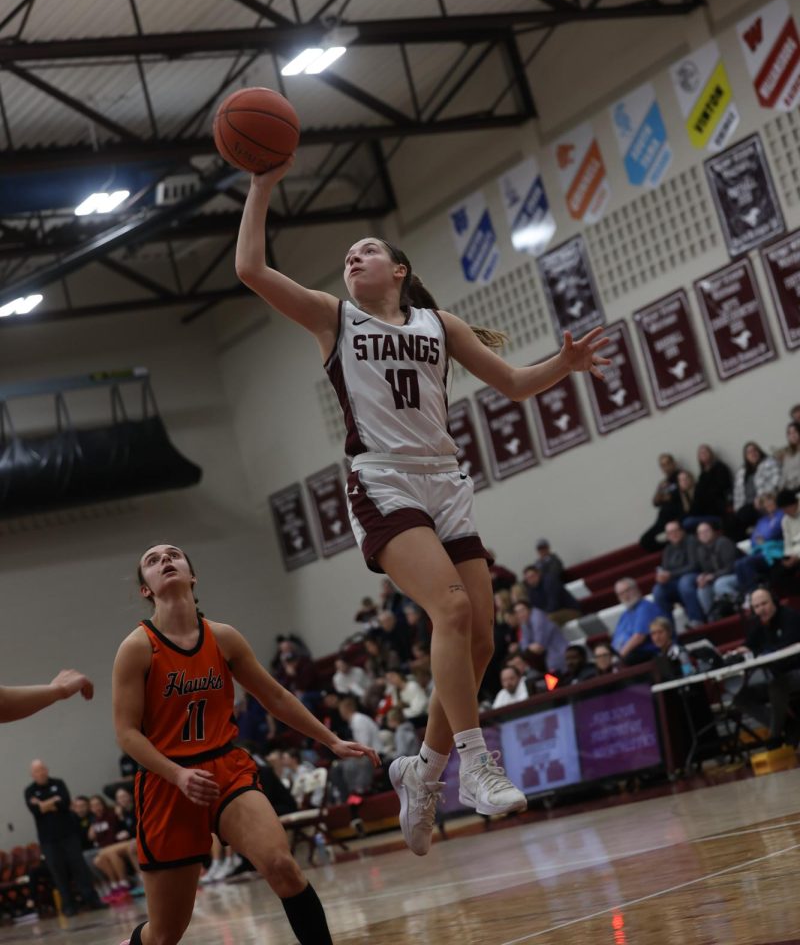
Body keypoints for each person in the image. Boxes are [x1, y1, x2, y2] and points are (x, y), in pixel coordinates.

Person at [236, 167, 610, 858]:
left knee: (479, 643)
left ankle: (422, 771)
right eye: (347, 257)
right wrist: (262, 184)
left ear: (400, 269)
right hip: (383, 480)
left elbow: (515, 384)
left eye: (366, 250)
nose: (352, 259)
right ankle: (474, 763)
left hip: (445, 479)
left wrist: (563, 364)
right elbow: (252, 267)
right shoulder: (333, 318)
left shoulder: (440, 324)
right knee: (452, 610)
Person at [112, 542, 379, 945]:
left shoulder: (223, 638)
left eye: (174, 555)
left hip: (225, 769)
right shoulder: (136, 648)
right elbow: (127, 734)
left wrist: (331, 740)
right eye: (152, 560)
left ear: (192, 574)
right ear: (145, 589)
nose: (165, 560)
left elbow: (275, 697)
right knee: (165, 934)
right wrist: (178, 774)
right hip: (167, 783)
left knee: (281, 865)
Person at [25, 760, 108, 917]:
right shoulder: (29, 791)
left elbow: (64, 804)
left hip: (68, 835)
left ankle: (92, 900)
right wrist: (52, 801)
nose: (41, 772)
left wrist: (44, 804)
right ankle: (69, 906)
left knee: (80, 868)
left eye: (43, 769)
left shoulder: (58, 783)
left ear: (47, 769)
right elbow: (36, 810)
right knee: (58, 872)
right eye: (37, 771)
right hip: (48, 840)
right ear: (32, 774)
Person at [736, 587, 800, 741]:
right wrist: (742, 650)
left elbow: (788, 646)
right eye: (756, 607)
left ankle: (775, 735)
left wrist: (761, 653)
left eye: (764, 604)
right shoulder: (759, 623)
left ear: (774, 602)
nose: (761, 610)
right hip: (775, 675)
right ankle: (788, 726)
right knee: (741, 698)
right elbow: (747, 645)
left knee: (777, 687)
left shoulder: (790, 617)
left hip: (795, 670)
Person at [687, 521, 741, 619]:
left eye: (706, 531)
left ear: (713, 532)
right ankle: (713, 619)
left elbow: (730, 567)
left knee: (720, 584)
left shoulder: (724, 542)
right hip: (718, 578)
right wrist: (702, 577)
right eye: (701, 533)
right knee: (702, 589)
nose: (704, 534)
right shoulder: (700, 550)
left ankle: (740, 605)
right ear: (698, 536)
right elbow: (706, 570)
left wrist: (712, 576)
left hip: (737, 575)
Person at [650, 521, 702, 624]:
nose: (673, 534)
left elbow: (694, 566)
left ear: (682, 531)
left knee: (685, 583)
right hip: (675, 581)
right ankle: (668, 629)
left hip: (693, 575)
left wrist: (671, 575)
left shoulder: (691, 541)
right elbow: (665, 570)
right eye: (669, 533)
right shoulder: (668, 549)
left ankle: (696, 620)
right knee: (658, 590)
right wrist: (662, 577)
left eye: (675, 531)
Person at [734, 492, 784, 594]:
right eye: (764, 503)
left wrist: (764, 539)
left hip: (776, 549)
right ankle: (747, 595)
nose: (767, 504)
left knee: (747, 562)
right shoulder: (762, 521)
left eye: (770, 501)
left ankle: (755, 592)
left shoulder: (781, 515)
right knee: (738, 564)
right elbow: (754, 539)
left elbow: (774, 532)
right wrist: (762, 539)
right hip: (761, 550)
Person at [732, 442, 781, 537]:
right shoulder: (741, 473)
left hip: (763, 501)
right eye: (749, 452)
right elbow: (737, 493)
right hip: (746, 505)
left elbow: (776, 482)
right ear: (745, 456)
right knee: (732, 521)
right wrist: (737, 508)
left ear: (759, 452)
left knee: (746, 515)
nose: (752, 453)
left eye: (754, 450)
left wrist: (762, 498)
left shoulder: (770, 464)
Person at [511, 599, 569, 676]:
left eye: (522, 610)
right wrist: (529, 647)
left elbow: (539, 646)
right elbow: (524, 645)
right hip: (547, 655)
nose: (520, 614)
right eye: (517, 612)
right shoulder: (524, 623)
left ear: (529, 609)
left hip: (559, 650)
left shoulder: (537, 617)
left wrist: (528, 648)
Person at [611, 579, 662, 665]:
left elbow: (639, 637)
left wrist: (619, 657)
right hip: (628, 654)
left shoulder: (645, 607)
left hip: (645, 653)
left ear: (636, 589)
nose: (625, 596)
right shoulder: (624, 615)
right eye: (621, 594)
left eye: (627, 590)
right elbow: (616, 639)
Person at [639, 453, 682, 552]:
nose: (666, 467)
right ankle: (670, 547)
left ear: (674, 463)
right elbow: (655, 502)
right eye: (663, 465)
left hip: (676, 518)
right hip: (662, 521)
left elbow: (674, 496)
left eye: (668, 463)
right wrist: (660, 492)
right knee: (645, 540)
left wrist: (666, 497)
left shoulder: (681, 476)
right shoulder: (663, 483)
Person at [683, 444, 732, 530]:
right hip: (704, 511)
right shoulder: (702, 475)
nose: (703, 455)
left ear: (711, 453)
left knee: (688, 523)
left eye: (705, 452)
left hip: (717, 510)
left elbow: (722, 487)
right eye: (700, 453)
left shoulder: (720, 468)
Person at [779, 422, 800, 495]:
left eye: (795, 432)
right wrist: (780, 488)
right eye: (789, 433)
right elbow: (784, 473)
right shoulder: (787, 455)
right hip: (789, 488)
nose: (792, 435)